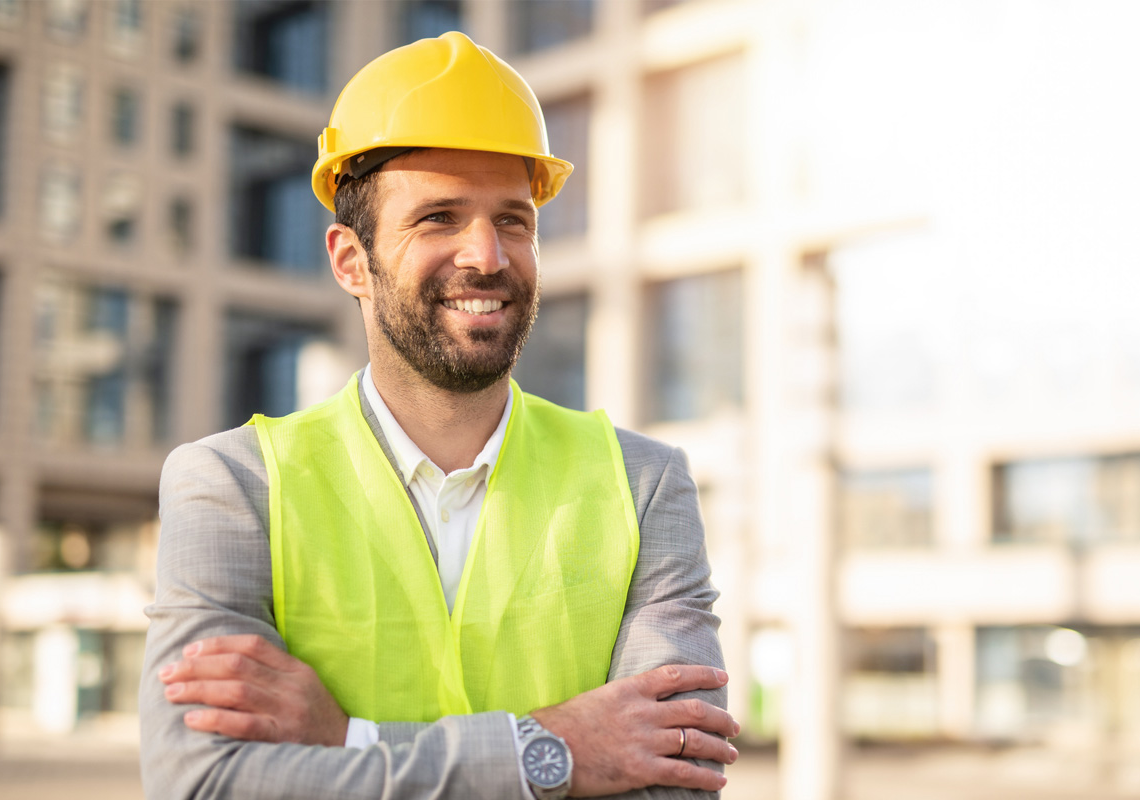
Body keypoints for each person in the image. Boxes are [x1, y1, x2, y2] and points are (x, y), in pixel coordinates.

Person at [139, 31, 737, 800]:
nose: (486, 255)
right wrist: (557, 753)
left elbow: (673, 780)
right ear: (350, 261)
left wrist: (350, 742)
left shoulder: (645, 486)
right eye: (439, 218)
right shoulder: (233, 487)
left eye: (513, 220)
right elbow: (203, 784)